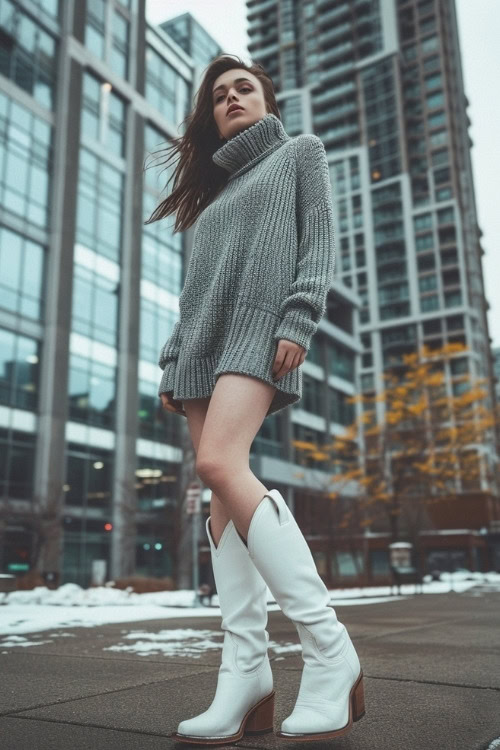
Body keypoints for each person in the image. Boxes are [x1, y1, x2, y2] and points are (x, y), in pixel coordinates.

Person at [145, 54, 365, 744]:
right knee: (218, 505)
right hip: (203, 344)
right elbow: (193, 293)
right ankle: (245, 673)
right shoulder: (210, 196)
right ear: (210, 116)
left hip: (260, 329)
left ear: (268, 100)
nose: (232, 98)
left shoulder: (301, 152)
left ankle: (330, 650)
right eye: (219, 95)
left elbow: (318, 245)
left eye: (245, 88)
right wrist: (173, 362)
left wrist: (299, 317)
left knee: (220, 465)